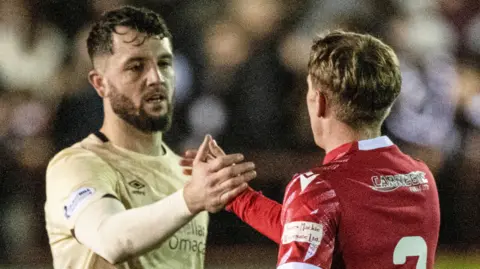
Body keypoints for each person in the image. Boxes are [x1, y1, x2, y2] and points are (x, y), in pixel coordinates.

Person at [184, 30, 441, 269]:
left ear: (319, 102)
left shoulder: (319, 188)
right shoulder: (421, 177)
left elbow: (318, 216)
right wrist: (238, 197)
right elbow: (318, 229)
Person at [44, 6, 257, 269]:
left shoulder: (186, 176)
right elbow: (111, 240)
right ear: (100, 84)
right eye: (136, 67)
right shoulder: (76, 165)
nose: (156, 78)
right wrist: (189, 200)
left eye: (165, 64)